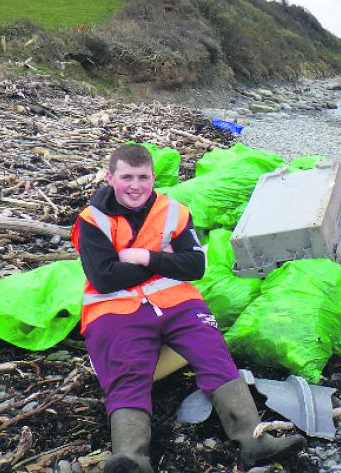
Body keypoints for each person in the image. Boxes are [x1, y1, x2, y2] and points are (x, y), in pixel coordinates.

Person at [71, 145, 302, 472]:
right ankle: (132, 458)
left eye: (143, 177)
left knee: (214, 354)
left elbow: (194, 267)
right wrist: (167, 261)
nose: (135, 185)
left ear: (153, 178)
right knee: (127, 373)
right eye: (126, 177)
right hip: (114, 311)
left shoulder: (173, 211)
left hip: (178, 303)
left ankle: (253, 442)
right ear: (110, 178)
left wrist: (143, 257)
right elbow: (105, 277)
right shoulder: (92, 221)